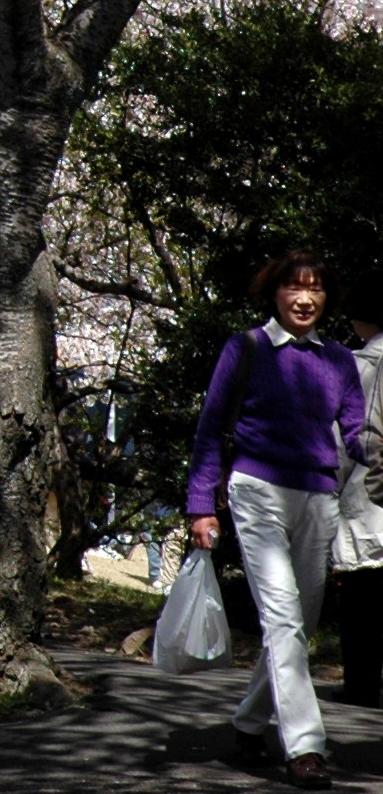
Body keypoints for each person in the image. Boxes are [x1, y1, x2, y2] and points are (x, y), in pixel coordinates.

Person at [187, 250, 368, 790]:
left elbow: (356, 433)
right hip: (256, 489)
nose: (305, 298)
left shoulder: (340, 361)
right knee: (284, 618)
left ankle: (249, 723)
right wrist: (200, 505)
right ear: (275, 292)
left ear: (327, 299)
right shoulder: (246, 348)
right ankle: (306, 747)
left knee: (298, 625)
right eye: (294, 287)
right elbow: (210, 427)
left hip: (318, 497)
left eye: (315, 289)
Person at [331, 314, 383, 709]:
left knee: (362, 598)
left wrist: (327, 487)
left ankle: (361, 685)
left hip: (368, 498)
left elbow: (352, 438)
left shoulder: (364, 365)